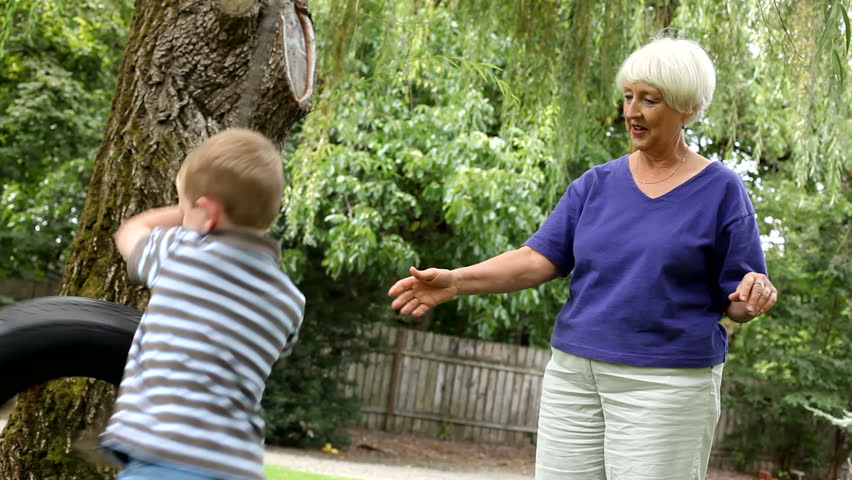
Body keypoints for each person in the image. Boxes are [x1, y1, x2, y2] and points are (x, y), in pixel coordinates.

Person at [388, 36, 777, 480]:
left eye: (649, 100)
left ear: (685, 107)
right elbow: (538, 259)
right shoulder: (596, 184)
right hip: (574, 375)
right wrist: (457, 281)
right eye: (628, 96)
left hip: (666, 383)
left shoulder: (722, 190)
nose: (632, 111)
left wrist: (754, 295)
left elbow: (739, 298)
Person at [99, 128, 306, 480]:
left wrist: (186, 210)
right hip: (237, 467)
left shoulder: (181, 253)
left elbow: (132, 231)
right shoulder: (289, 301)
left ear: (207, 212)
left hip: (165, 457)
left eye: (185, 208)